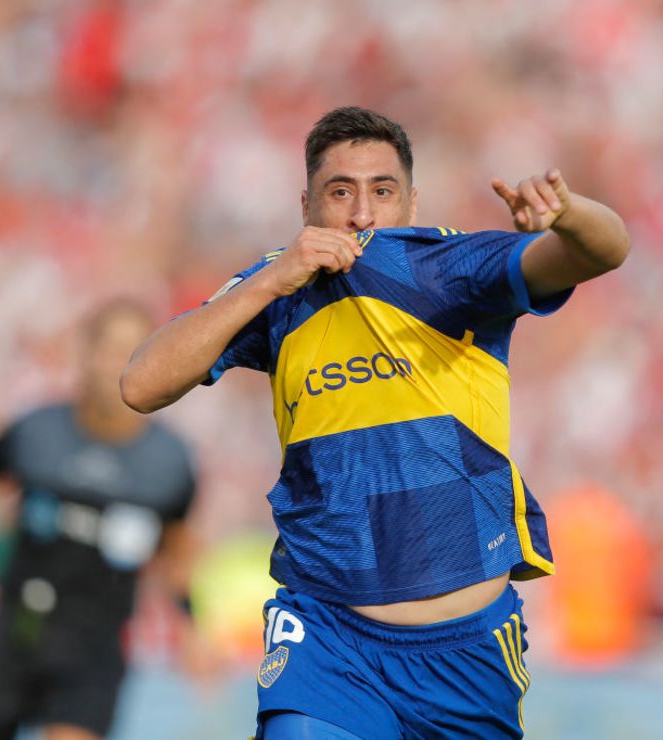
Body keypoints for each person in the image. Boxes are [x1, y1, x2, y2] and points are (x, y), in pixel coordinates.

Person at [119, 106, 630, 739]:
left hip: (465, 651)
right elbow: (141, 384)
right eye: (341, 193)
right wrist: (265, 283)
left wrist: (570, 216)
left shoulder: (452, 268)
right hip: (328, 638)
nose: (362, 214)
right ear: (306, 205)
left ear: (411, 204)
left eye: (382, 192)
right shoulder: (279, 288)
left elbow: (607, 250)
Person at [0, 300, 198, 740]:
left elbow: (176, 549)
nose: (115, 363)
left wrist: (190, 629)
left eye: (132, 349)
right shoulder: (35, 433)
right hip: (14, 633)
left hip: (94, 649)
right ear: (85, 353)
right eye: (108, 347)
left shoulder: (168, 463)